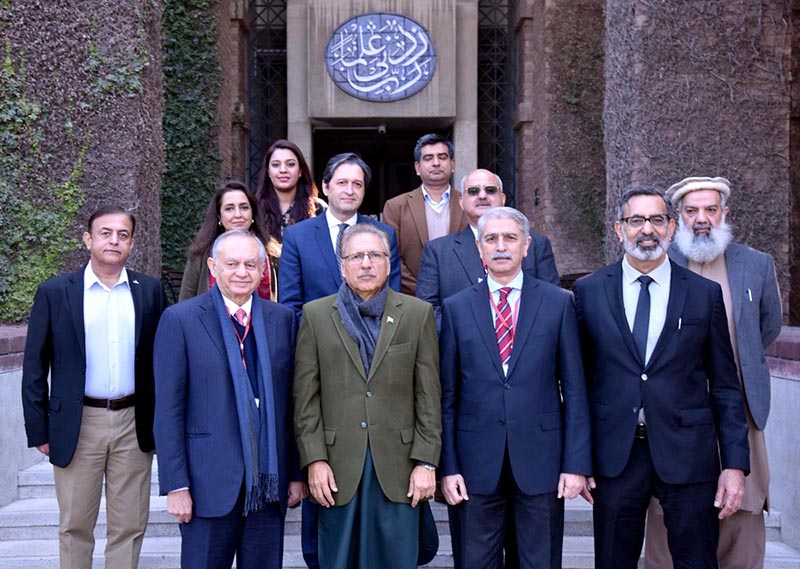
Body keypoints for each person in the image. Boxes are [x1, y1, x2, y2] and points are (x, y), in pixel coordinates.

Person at [572, 185, 750, 569]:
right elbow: (578, 385)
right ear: (619, 229)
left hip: (689, 454)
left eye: (656, 219)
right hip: (615, 456)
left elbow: (725, 386)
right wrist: (578, 459)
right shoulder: (588, 292)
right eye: (636, 220)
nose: (646, 229)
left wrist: (734, 466)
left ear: (671, 227)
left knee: (697, 561)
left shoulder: (704, 294)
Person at [439, 207, 592, 568]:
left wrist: (575, 464)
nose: (501, 246)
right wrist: (448, 466)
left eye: (510, 238)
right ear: (480, 249)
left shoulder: (558, 303)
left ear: (526, 246)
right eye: (491, 239)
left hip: (542, 462)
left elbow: (575, 390)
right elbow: (447, 395)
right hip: (475, 464)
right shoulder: (457, 307)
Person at [643, 176, 783, 569]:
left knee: (744, 504)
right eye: (691, 211)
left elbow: (767, 327)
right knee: (667, 510)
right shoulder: (658, 264)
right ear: (677, 219)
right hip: (673, 415)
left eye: (710, 210)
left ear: (725, 213)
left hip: (740, 407)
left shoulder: (755, 264)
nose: (701, 219)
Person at [21, 205, 167, 569]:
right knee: (74, 525)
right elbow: (35, 365)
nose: (113, 241)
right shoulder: (55, 292)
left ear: (132, 243)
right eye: (105, 233)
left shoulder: (149, 291)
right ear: (88, 239)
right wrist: (39, 427)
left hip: (134, 422)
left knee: (130, 525)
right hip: (77, 422)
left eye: (122, 235)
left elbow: (164, 361)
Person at [153, 230, 306, 568]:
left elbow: (292, 406)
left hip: (268, 484)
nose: (241, 272)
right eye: (232, 263)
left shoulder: (281, 320)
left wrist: (295, 472)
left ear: (263, 269)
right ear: (213, 266)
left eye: (251, 264)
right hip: (207, 485)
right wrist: (176, 484)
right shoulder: (180, 320)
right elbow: (168, 411)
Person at [293, 223, 441, 569]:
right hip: (336, 465)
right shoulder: (315, 316)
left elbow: (429, 396)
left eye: (375, 255)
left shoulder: (417, 314)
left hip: (399, 466)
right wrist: (314, 460)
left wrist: (426, 462)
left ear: (388, 264)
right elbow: (305, 400)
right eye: (356, 256)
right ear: (342, 265)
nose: (366, 264)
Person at [416, 168, 559, 332]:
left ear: (503, 198)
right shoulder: (437, 251)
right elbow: (428, 309)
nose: (482, 196)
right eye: (473, 191)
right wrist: (463, 340)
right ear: (461, 201)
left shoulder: (536, 245)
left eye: (490, 190)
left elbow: (551, 301)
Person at [279, 151, 401, 316]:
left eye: (357, 184)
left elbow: (392, 299)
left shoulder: (384, 234)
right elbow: (290, 305)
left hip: (373, 338)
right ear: (325, 187)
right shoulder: (297, 237)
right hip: (317, 338)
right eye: (342, 183)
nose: (350, 191)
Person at [382, 133, 468, 295]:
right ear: (417, 167)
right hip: (413, 300)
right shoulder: (396, 207)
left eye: (442, 157)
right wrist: (423, 290)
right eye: (428, 158)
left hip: (462, 297)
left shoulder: (468, 203)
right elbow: (391, 257)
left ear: (452, 164)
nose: (436, 163)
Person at [254, 139, 326, 299]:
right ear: (267, 171)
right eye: (276, 165)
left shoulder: (319, 209)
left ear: (300, 171)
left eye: (290, 164)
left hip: (309, 296)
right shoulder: (253, 209)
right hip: (266, 297)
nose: (283, 170)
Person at [179, 179, 272, 301]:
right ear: (219, 216)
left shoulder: (271, 253)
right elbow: (186, 301)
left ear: (252, 213)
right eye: (229, 209)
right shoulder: (201, 254)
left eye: (244, 207)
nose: (238, 214)